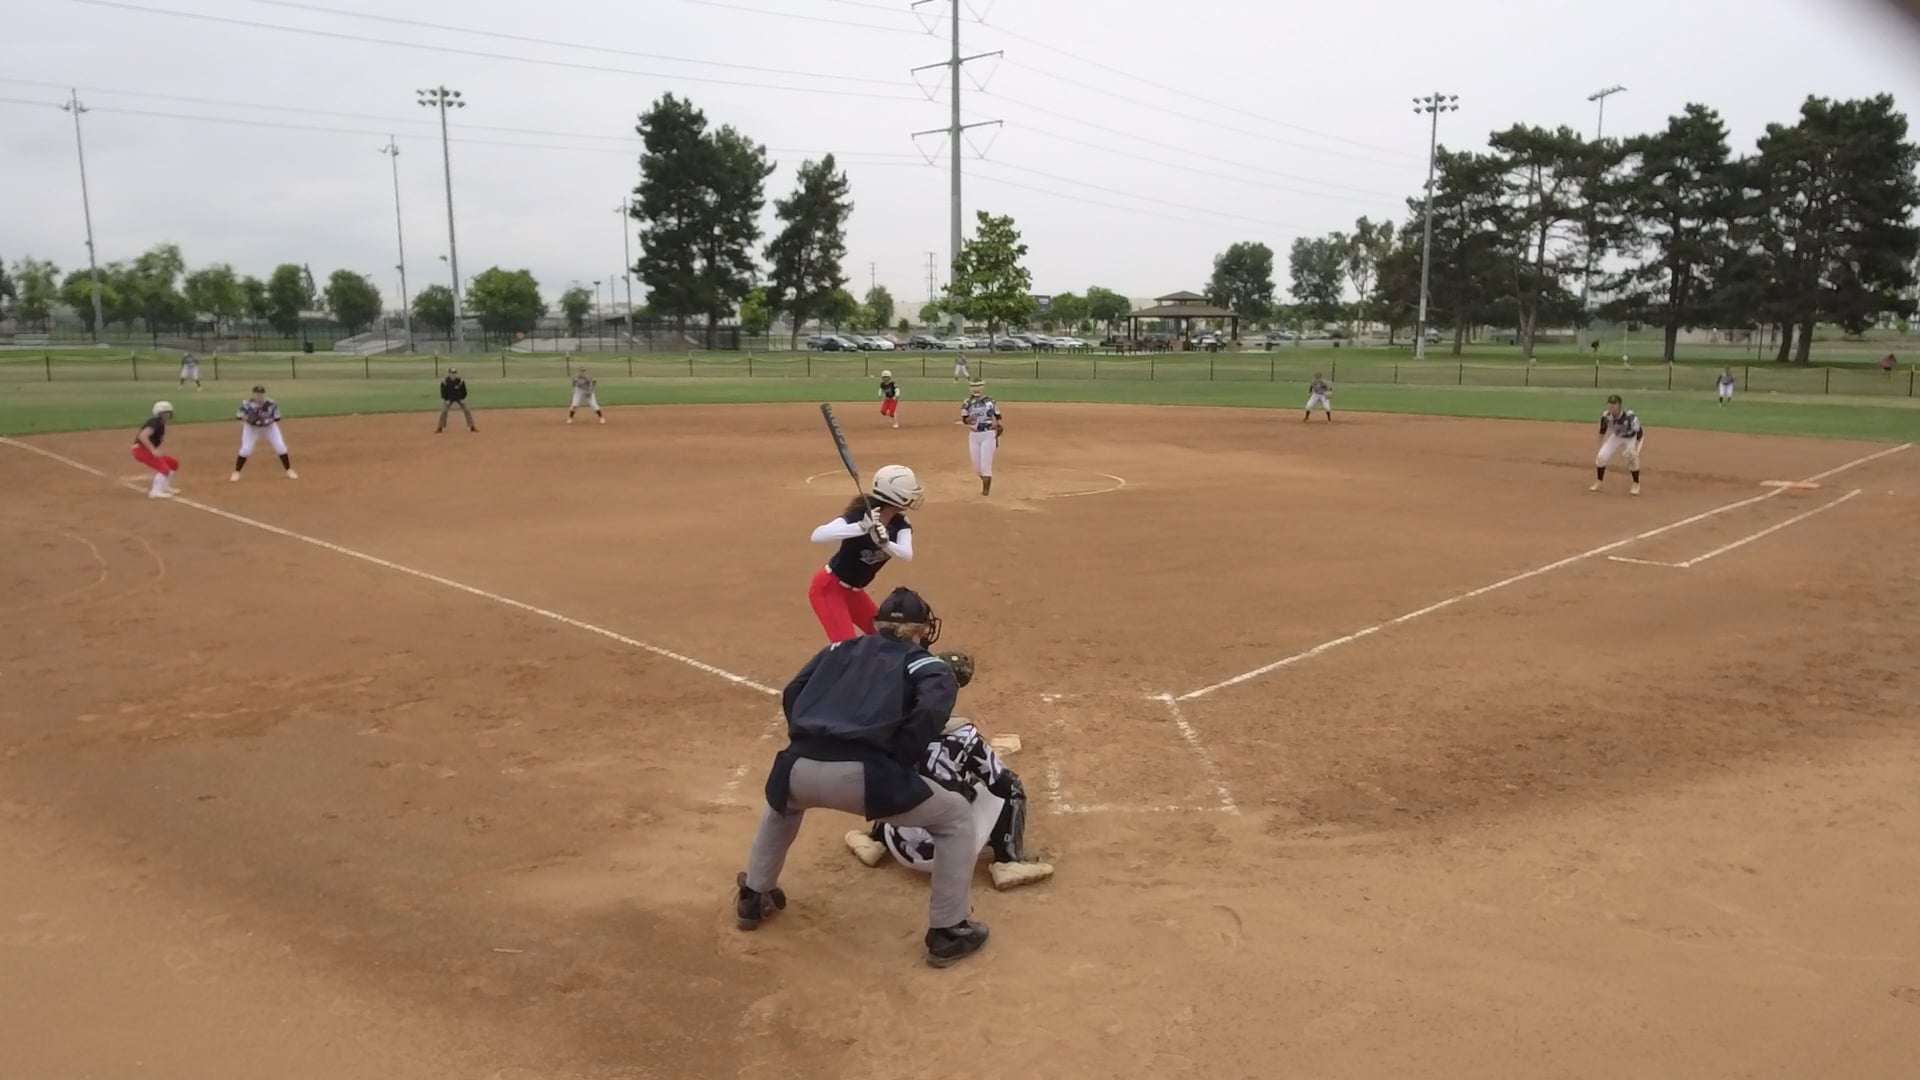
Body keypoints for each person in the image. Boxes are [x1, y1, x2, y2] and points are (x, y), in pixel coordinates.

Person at [735, 587, 989, 968]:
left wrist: (806, 737)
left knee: (781, 807)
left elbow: (793, 692)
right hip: (866, 779)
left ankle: (754, 895)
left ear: (878, 624)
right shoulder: (926, 665)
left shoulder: (838, 649)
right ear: (922, 630)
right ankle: (949, 931)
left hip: (798, 767)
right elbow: (930, 712)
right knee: (954, 817)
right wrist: (900, 758)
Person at [844, 688, 1055, 892]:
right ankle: (1008, 861)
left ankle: (874, 841)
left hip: (901, 847)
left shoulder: (890, 729)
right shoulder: (964, 735)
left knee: (896, 776)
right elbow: (1005, 785)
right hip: (951, 854)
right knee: (1000, 782)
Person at [808, 465, 923, 643]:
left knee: (886, 639)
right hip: (830, 587)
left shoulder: (900, 524)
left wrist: (885, 543)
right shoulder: (859, 516)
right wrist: (861, 527)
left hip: (855, 593)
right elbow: (818, 536)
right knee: (847, 647)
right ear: (897, 495)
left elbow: (906, 554)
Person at [230, 385, 297, 482]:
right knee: (246, 449)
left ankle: (289, 470)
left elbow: (277, 417)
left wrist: (265, 421)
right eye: (257, 394)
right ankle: (236, 472)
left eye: (261, 394)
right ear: (253, 394)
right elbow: (239, 415)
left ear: (264, 394)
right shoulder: (247, 404)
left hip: (269, 427)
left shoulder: (271, 404)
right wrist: (251, 420)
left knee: (280, 446)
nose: (259, 396)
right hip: (252, 428)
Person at [1591, 394, 1644, 496]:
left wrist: (1635, 450)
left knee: (1632, 457)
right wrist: (1599, 446)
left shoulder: (1630, 416)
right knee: (1601, 456)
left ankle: (1636, 484)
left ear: (1619, 405)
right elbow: (1602, 431)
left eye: (1614, 404)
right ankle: (1599, 482)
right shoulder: (1606, 416)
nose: (1611, 406)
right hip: (1617, 436)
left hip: (1631, 437)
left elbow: (1640, 433)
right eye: (1610, 404)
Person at [958, 381, 1001, 496]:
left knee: (985, 466)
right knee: (977, 468)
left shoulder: (990, 401)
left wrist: (997, 431)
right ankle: (985, 482)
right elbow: (964, 418)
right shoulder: (967, 402)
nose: (975, 389)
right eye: (973, 386)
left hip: (988, 434)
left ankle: (985, 494)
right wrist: (967, 420)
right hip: (974, 435)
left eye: (978, 386)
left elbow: (998, 417)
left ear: (982, 388)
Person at [132, 401, 182, 500]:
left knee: (173, 463)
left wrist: (154, 450)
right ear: (158, 414)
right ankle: (155, 492)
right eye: (164, 413)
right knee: (164, 468)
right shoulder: (155, 423)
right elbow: (142, 436)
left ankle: (165, 487)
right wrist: (153, 450)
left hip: (145, 449)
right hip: (140, 450)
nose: (167, 415)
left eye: (168, 413)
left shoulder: (160, 424)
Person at [436, 368, 476, 433]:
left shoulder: (460, 381)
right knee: (444, 411)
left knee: (467, 410)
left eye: (454, 373)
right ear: (449, 374)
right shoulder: (444, 382)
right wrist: (446, 399)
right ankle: (440, 427)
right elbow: (443, 393)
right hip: (449, 398)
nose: (453, 375)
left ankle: (472, 426)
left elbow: (464, 392)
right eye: (452, 373)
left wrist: (462, 398)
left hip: (459, 398)